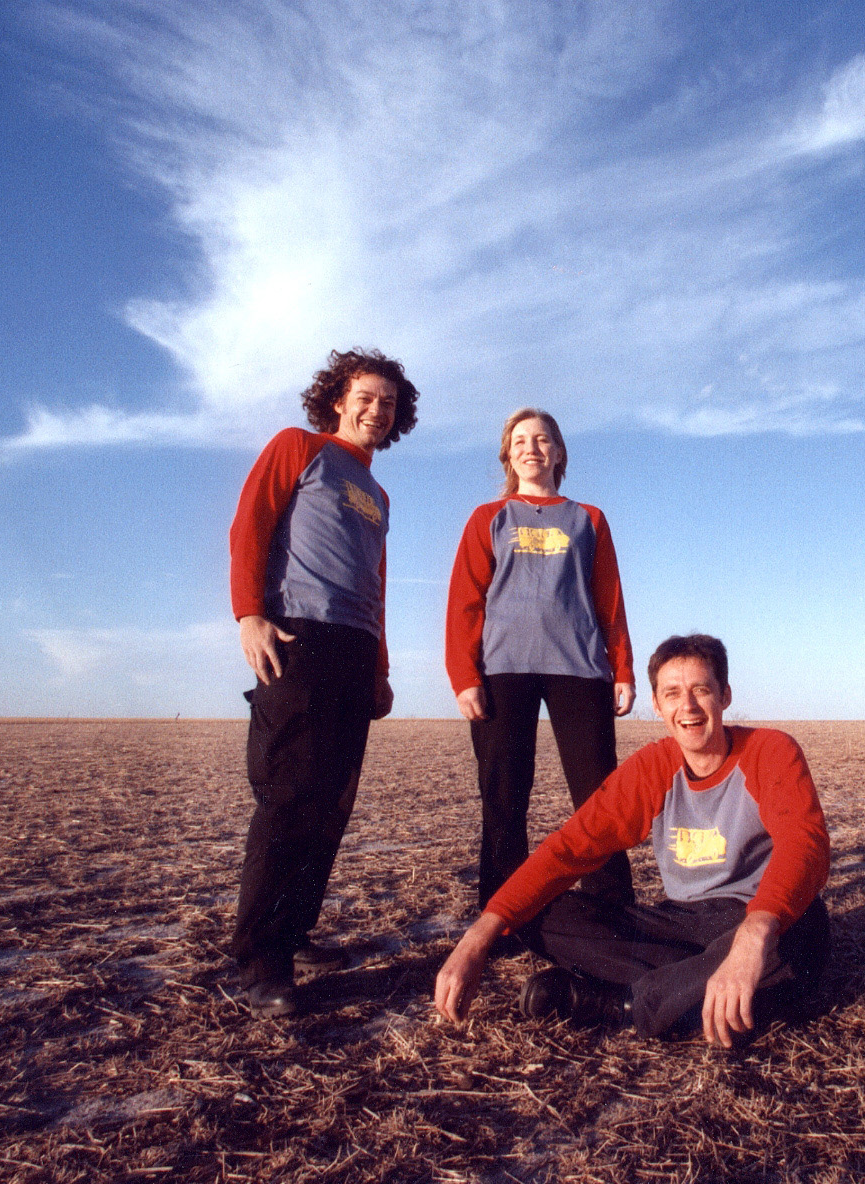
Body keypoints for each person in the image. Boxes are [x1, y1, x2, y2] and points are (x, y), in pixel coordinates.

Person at [433, 634, 831, 1047]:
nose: (688, 707)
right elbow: (569, 849)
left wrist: (756, 932)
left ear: (725, 695)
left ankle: (623, 1005)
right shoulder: (654, 768)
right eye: (672, 694)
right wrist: (478, 936)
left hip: (754, 916)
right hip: (680, 926)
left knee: (802, 931)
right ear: (657, 705)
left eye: (701, 690)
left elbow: (805, 845)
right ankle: (692, 983)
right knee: (531, 911)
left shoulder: (769, 750)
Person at [227, 348, 419, 1017]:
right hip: (297, 636)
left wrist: (381, 667)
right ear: (338, 399)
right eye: (365, 396)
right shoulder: (297, 446)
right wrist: (250, 614)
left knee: (331, 801)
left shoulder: (377, 493)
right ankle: (260, 959)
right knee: (289, 797)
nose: (375, 409)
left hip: (354, 649)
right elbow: (249, 524)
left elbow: (377, 581)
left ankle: (296, 930)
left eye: (388, 403)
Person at [445, 409, 636, 913]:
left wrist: (623, 669)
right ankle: (505, 913)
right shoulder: (489, 518)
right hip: (503, 670)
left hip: (579, 668)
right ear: (508, 454)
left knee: (598, 795)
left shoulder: (588, 518)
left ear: (559, 452)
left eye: (543, 439)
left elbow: (609, 598)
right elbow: (465, 601)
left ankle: (610, 907)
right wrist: (465, 678)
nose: (532, 448)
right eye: (521, 440)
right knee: (504, 796)